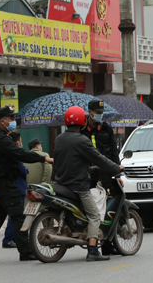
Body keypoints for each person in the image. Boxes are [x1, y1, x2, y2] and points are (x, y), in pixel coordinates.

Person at [0, 105, 54, 262]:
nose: (13, 121)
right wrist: (43, 158)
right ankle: (25, 252)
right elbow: (20, 153)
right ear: (3, 121)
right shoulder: (2, 139)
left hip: (2, 181)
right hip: (4, 183)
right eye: (11, 118)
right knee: (19, 215)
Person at [54, 106, 123, 262]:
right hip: (79, 185)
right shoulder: (81, 140)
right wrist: (116, 168)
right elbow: (100, 158)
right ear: (82, 120)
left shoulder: (58, 138)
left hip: (61, 183)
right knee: (94, 215)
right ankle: (92, 250)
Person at [80, 99, 122, 256]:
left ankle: (108, 243)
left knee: (110, 207)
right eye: (97, 113)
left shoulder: (106, 129)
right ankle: (93, 239)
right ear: (90, 112)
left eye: (101, 113)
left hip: (106, 174)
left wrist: (117, 174)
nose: (99, 115)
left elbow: (113, 152)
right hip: (87, 176)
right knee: (94, 209)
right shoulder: (81, 129)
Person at [2, 132, 28, 249]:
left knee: (14, 216)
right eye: (20, 141)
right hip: (18, 188)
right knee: (16, 216)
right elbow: (23, 170)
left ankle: (11, 239)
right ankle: (9, 239)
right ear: (17, 142)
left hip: (14, 188)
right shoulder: (15, 155)